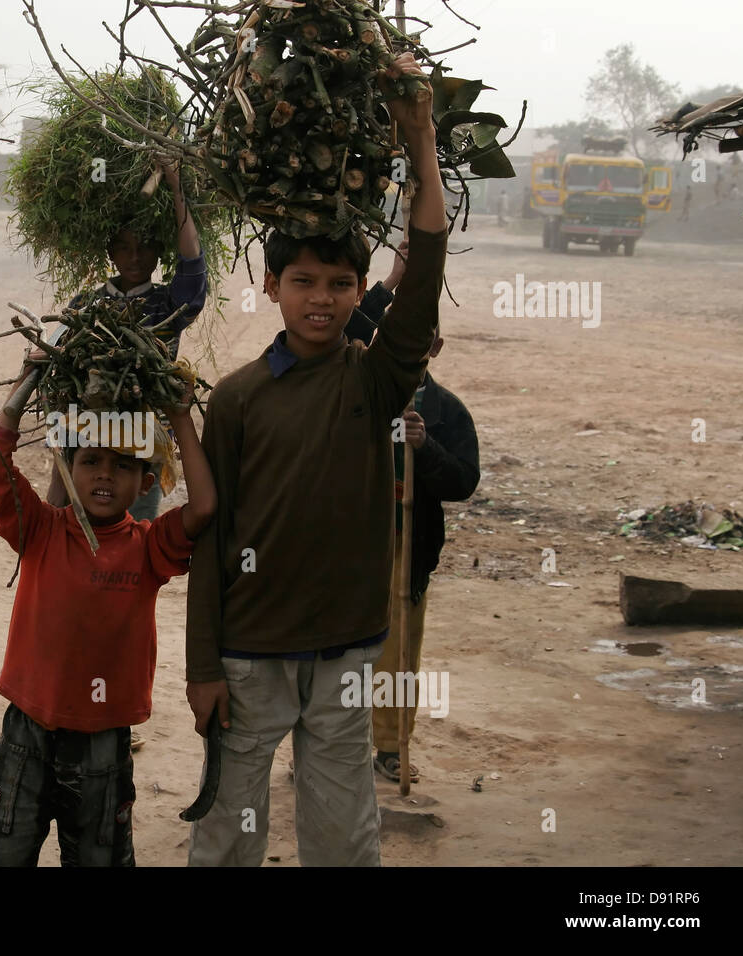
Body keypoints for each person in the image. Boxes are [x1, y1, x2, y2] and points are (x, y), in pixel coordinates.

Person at [183, 52, 446, 867]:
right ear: (271, 284)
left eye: (338, 282)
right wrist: (201, 666)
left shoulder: (375, 379)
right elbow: (209, 537)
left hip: (348, 656)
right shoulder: (234, 398)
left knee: (342, 839)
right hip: (248, 659)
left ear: (360, 289)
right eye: (303, 281)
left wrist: (421, 141)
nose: (321, 298)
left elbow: (428, 264)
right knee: (228, 835)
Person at [0, 350, 215, 866]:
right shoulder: (42, 530)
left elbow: (205, 506)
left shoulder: (148, 547)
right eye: (91, 460)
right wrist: (29, 376)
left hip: (103, 741)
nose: (104, 475)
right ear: (67, 466)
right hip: (27, 732)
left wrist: (182, 415)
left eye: (123, 466)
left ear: (145, 483)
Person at [344, 291, 480, 784]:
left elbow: (464, 481)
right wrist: (397, 278)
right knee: (339, 648)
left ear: (436, 346)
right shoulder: (359, 392)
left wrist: (428, 447)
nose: (403, 347)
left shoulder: (446, 411)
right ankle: (328, 744)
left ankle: (389, 746)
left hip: (407, 549)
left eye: (418, 340)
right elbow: (349, 319)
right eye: (389, 337)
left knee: (398, 655)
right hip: (352, 543)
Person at [46, 157, 207, 523]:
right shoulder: (86, 305)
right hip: (84, 447)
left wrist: (176, 187)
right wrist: (59, 467)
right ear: (110, 253)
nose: (135, 257)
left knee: (131, 546)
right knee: (70, 542)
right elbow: (61, 380)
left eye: (145, 246)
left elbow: (193, 264)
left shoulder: (168, 304)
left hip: (138, 453)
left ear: (160, 252)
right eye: (123, 247)